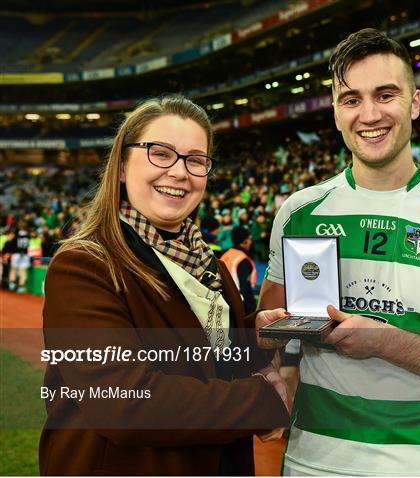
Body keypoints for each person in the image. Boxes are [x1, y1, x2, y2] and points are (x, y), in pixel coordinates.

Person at [258, 29, 420, 476]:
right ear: (336, 113)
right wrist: (268, 366)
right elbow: (269, 339)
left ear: (414, 103)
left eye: (386, 94)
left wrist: (387, 343)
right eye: (351, 99)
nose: (369, 114)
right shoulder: (297, 213)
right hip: (311, 463)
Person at [40, 96, 290, 476]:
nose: (179, 172)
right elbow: (126, 403)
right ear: (122, 166)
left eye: (195, 160)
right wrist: (266, 400)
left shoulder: (209, 265)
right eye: (160, 153)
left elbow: (206, 359)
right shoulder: (85, 266)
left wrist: (255, 337)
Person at [221, 226, 257, 314]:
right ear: (244, 241)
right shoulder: (243, 260)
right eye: (249, 239)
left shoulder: (226, 254)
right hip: (239, 304)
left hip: (224, 300)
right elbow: (245, 288)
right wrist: (252, 311)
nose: (250, 241)